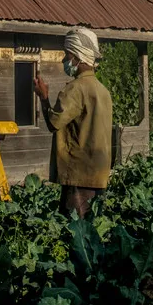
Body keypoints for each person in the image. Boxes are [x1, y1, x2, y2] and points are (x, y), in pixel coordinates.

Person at [34, 28, 113, 217]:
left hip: (78, 173)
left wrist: (44, 98)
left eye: (67, 55)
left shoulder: (75, 89)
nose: (64, 60)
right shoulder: (103, 91)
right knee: (91, 230)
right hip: (98, 174)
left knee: (73, 231)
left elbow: (54, 123)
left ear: (78, 57)